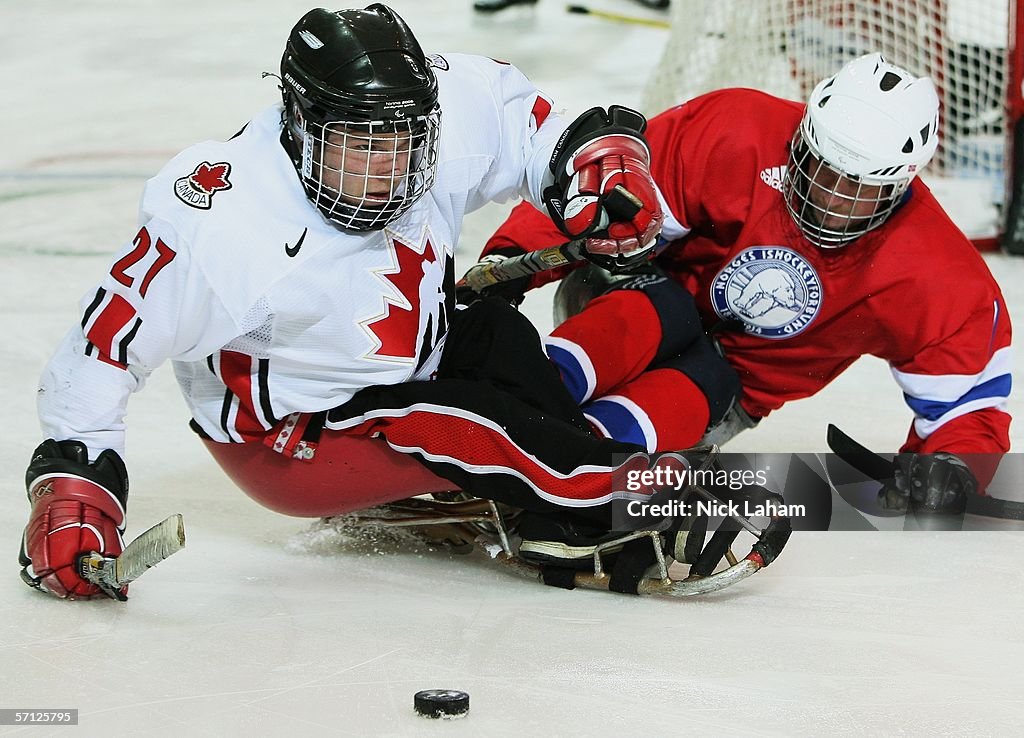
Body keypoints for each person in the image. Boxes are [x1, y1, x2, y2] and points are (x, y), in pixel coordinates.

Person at [19, 4, 677, 600]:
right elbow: (101, 348)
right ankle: (625, 500)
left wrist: (602, 164)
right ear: (301, 124)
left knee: (500, 336)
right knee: (467, 420)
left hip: (411, 367)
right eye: (363, 145)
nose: (390, 167)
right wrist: (76, 487)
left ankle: (544, 508)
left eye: (404, 143)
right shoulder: (225, 222)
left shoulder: (437, 110)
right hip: (293, 438)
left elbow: (525, 127)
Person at [473, 53, 1013, 518]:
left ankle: (578, 461)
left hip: (731, 389)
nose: (828, 196)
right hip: (636, 292)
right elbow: (606, 195)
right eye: (821, 167)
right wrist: (509, 263)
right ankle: (498, 400)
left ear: (901, 184)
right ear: (803, 132)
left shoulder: (932, 270)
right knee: (659, 306)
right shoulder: (738, 129)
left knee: (705, 383)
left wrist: (954, 464)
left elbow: (968, 399)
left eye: (856, 187)